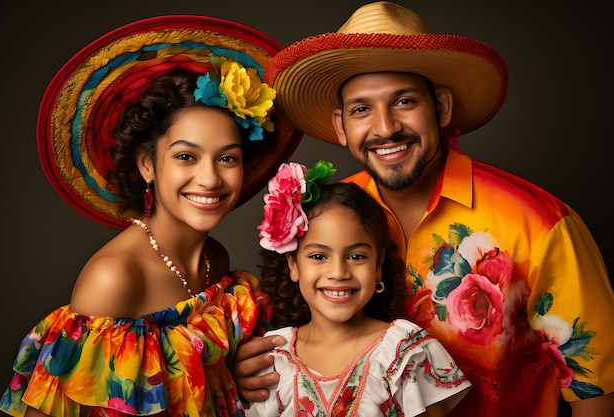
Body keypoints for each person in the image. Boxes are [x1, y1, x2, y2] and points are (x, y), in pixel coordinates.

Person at [232, 2, 614, 416]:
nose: (385, 127)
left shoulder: (540, 224)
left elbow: (597, 394)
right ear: (342, 127)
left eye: (404, 101)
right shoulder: (322, 217)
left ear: (442, 108)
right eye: (362, 109)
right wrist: (252, 364)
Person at [0, 15, 301, 417]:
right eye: (185, 157)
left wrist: (239, 373)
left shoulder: (216, 259)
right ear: (146, 165)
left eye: (227, 157)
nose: (210, 178)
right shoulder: (115, 278)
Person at [244, 160, 471, 416]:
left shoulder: (404, 353)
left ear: (378, 265)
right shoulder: (274, 358)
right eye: (319, 256)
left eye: (356, 256)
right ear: (293, 265)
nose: (339, 272)